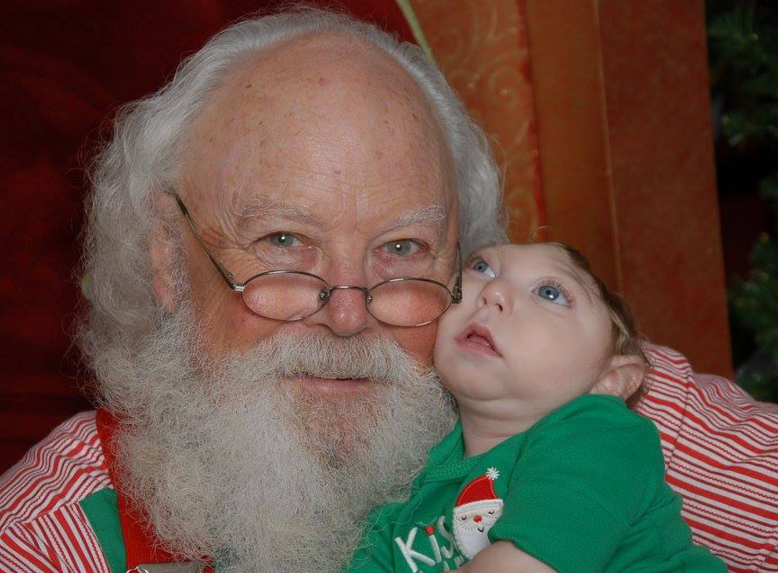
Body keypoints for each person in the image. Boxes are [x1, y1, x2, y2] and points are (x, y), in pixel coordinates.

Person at [0, 6, 776, 573]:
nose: (346, 314)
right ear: (172, 261)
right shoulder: (57, 533)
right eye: (283, 243)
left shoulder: (580, 396)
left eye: (401, 250)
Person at [347, 242, 728, 573]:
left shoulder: (600, 434)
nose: (493, 291)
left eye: (549, 292)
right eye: (481, 267)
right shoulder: (408, 485)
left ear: (609, 379)